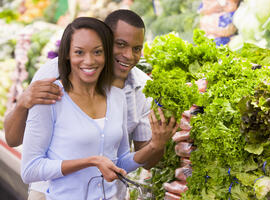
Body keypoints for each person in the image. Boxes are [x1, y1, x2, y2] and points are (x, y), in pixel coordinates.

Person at [5, 9, 177, 199]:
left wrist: (157, 144)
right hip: (51, 191)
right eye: (121, 45)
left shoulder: (128, 93)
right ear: (105, 40)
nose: (129, 55)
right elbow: (21, 152)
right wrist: (22, 103)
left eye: (136, 48)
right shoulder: (53, 80)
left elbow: (121, 160)